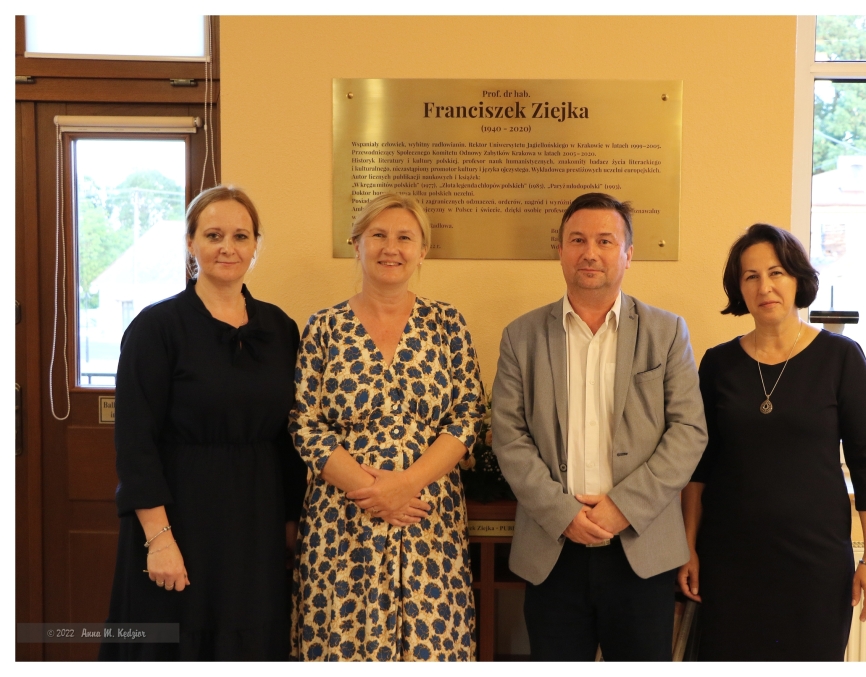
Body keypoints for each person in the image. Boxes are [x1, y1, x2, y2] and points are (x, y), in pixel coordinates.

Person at [491, 193, 708, 661]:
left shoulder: (667, 332)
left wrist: (622, 508)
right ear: (560, 250)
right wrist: (563, 513)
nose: (590, 252)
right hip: (552, 549)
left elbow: (689, 431)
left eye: (605, 241)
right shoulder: (521, 336)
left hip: (641, 550)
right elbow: (509, 437)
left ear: (628, 255)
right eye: (577, 240)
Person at [100, 186, 306, 660]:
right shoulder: (156, 328)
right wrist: (159, 539)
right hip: (179, 518)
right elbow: (135, 443)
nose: (227, 247)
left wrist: (291, 524)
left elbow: (289, 437)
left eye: (240, 236)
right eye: (213, 235)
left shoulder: (280, 328)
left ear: (256, 245)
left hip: (254, 520)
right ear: (190, 243)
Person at [677, 223, 866, 661]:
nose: (765, 287)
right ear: (739, 288)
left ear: (798, 279)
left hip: (815, 563)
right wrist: (689, 547)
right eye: (751, 276)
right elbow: (699, 465)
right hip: (730, 561)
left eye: (776, 273)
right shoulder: (718, 364)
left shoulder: (841, 358)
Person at [289, 192, 485, 661]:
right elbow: (305, 423)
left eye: (405, 238)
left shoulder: (447, 324)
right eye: (378, 235)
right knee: (343, 647)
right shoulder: (325, 327)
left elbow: (469, 415)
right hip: (343, 521)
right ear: (356, 244)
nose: (390, 248)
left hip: (427, 518)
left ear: (423, 250)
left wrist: (405, 485)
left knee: (432, 649)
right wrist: (373, 491)